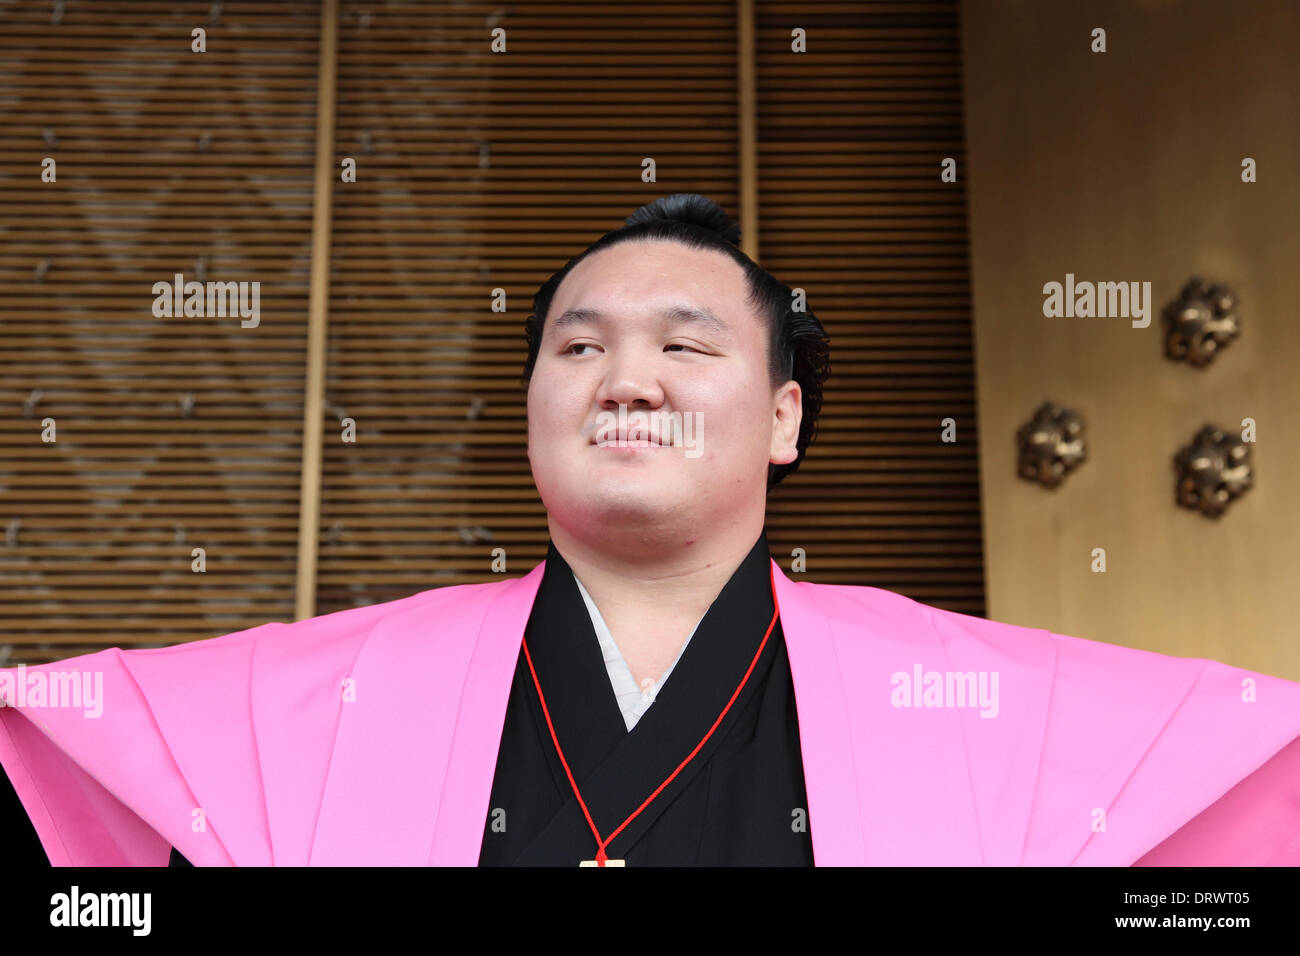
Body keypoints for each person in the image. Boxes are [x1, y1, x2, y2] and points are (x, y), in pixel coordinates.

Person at [2, 194, 1298, 867]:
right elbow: (81, 807)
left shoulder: (966, 700)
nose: (628, 380)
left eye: (687, 345)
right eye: (578, 348)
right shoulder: (316, 698)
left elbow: (1222, 812)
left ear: (785, 416)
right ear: (532, 416)